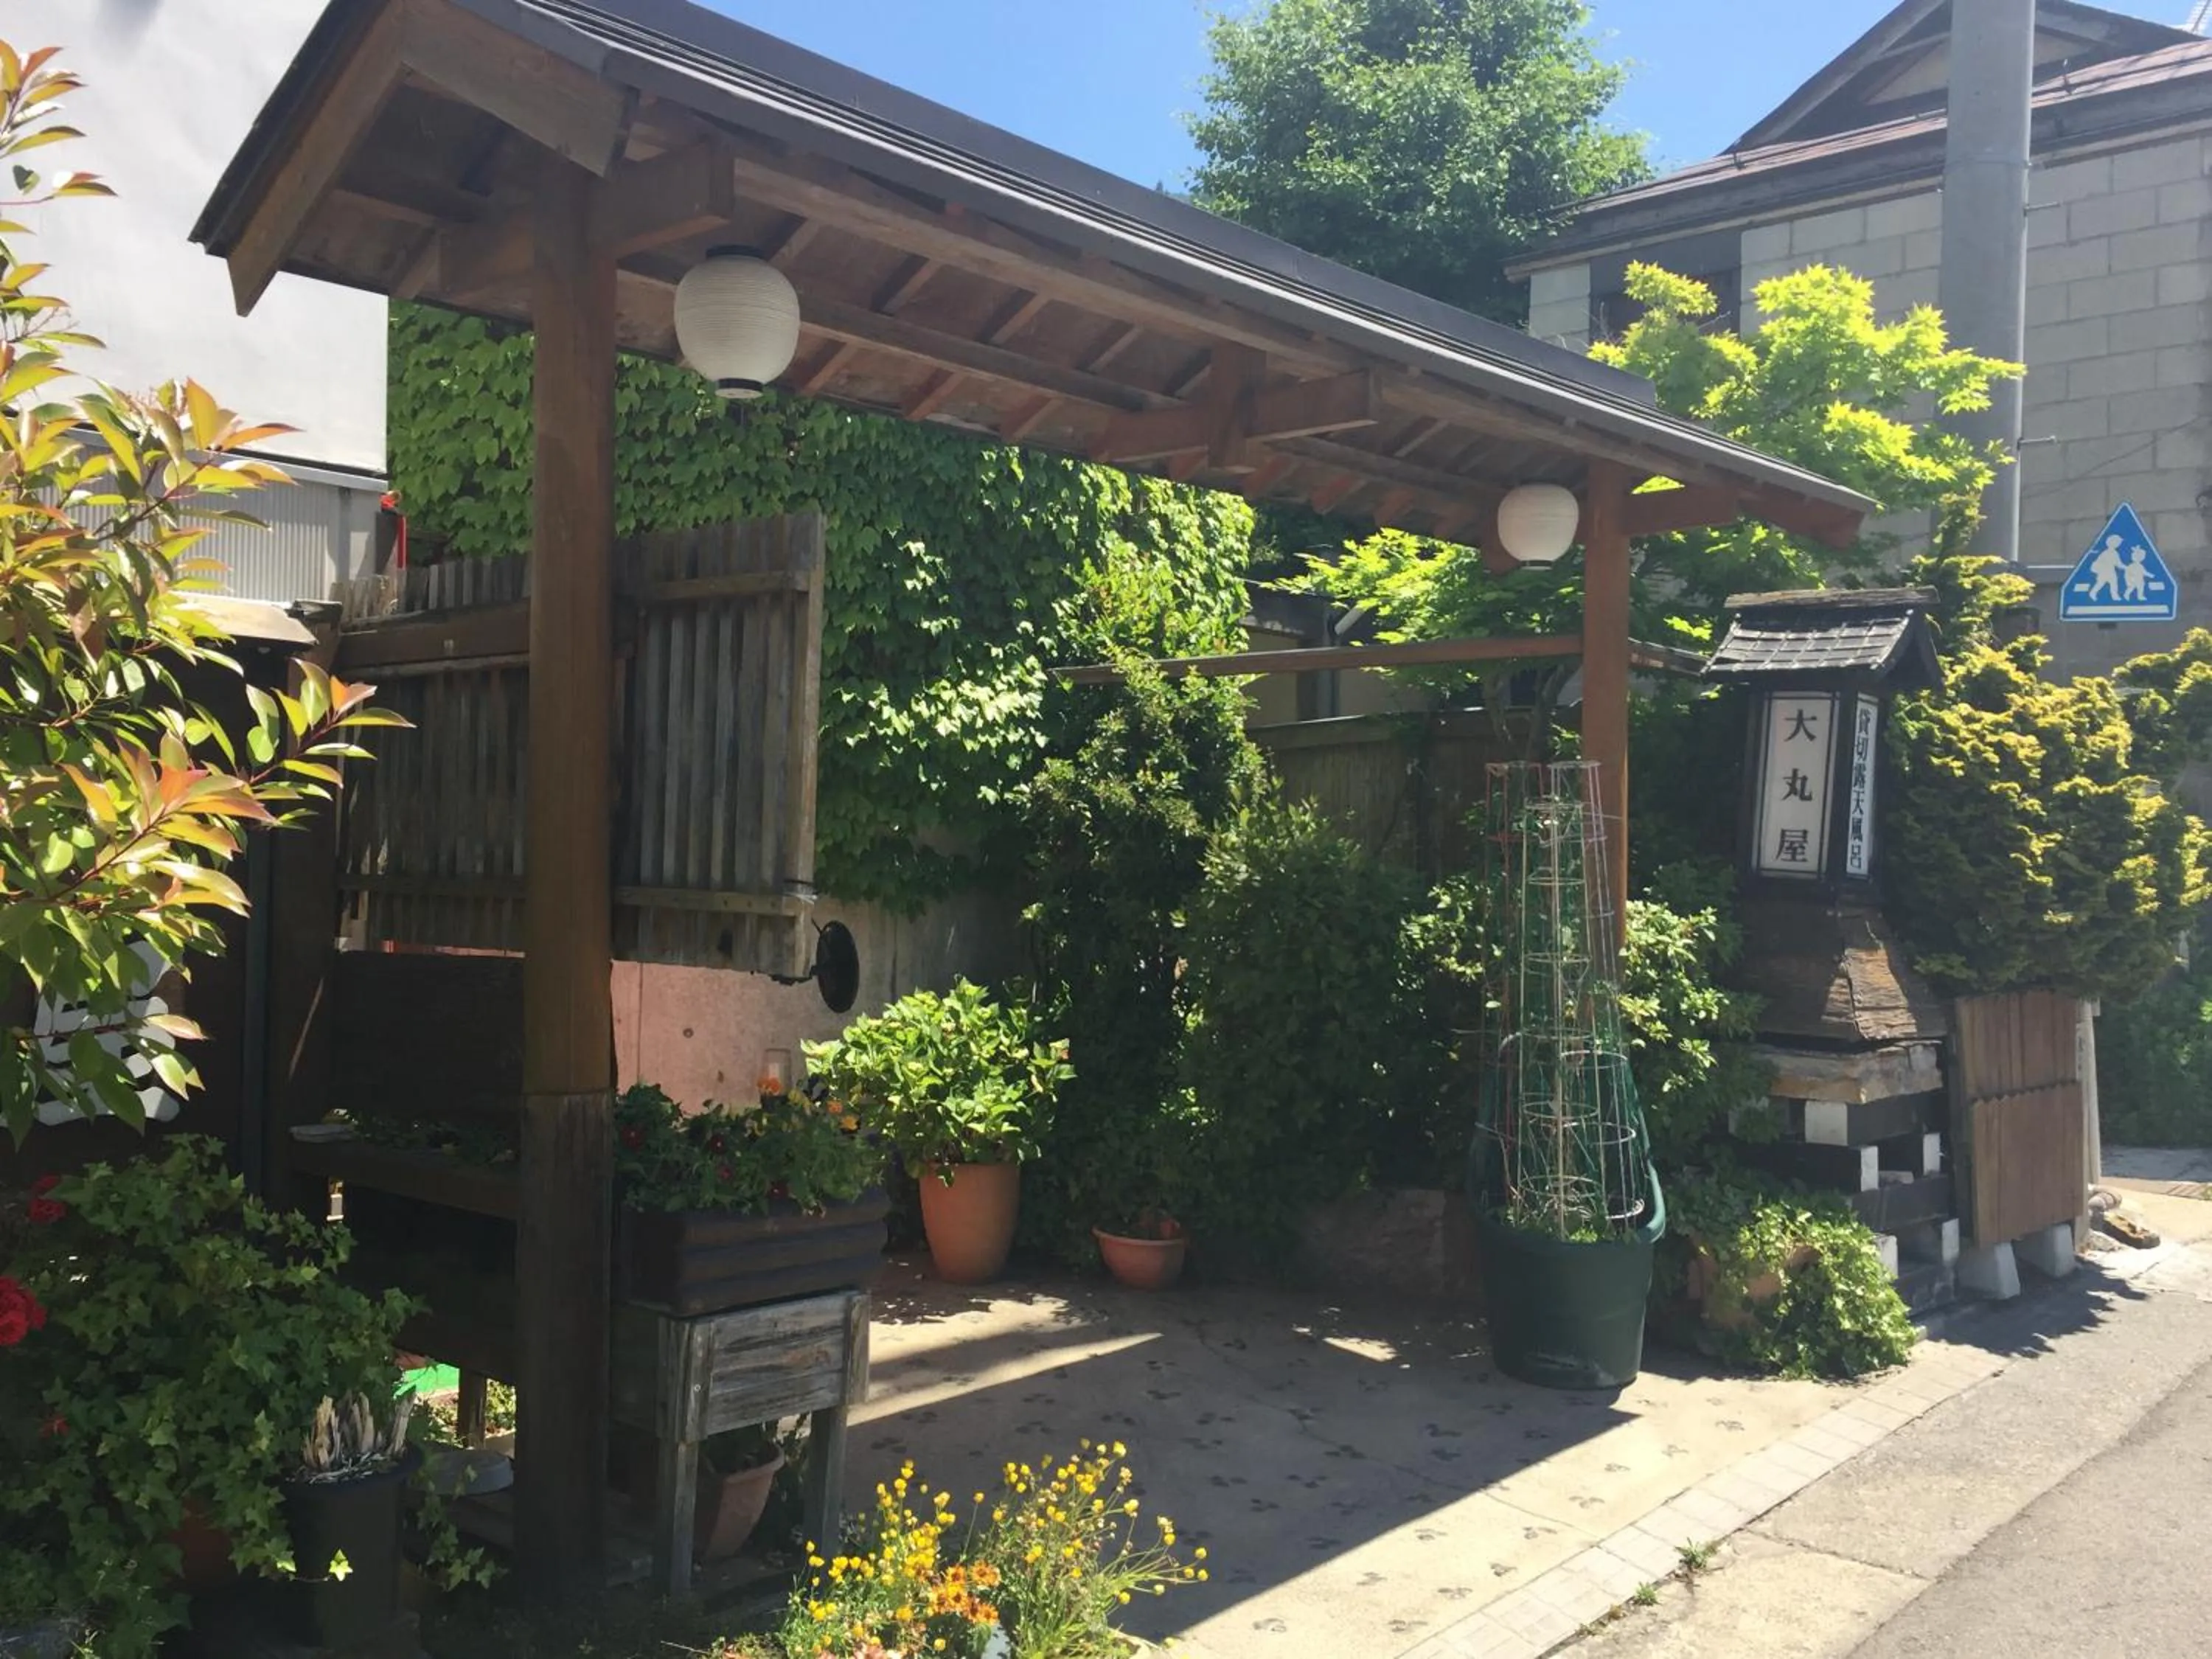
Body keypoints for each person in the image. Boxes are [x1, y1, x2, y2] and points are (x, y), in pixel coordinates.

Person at [2087, 535, 2126, 602]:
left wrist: (2127, 568)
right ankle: (2093, 593)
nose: (2119, 544)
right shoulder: (2106, 553)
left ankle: (2115, 596)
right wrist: (2127, 568)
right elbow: (2118, 564)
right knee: (2101, 583)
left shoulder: (2115, 553)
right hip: (2104, 572)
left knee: (2114, 584)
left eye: (2119, 543)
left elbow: (2118, 564)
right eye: (2118, 542)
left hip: (2111, 572)